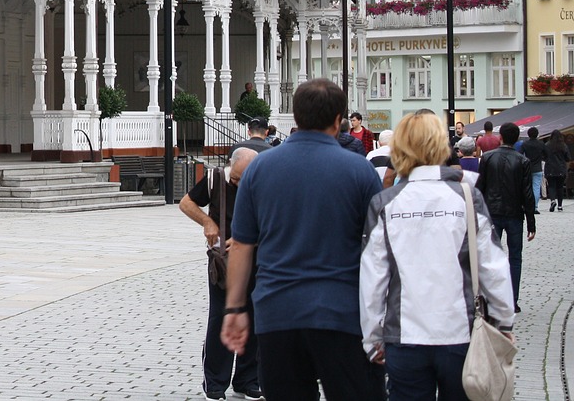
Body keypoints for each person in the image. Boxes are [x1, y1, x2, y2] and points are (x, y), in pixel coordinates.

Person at [222, 78, 385, 400]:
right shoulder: (359, 170)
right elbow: (381, 246)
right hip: (342, 312)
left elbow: (241, 244)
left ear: (295, 117)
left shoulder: (259, 169)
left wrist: (235, 308)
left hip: (277, 311)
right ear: (339, 120)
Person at [359, 110, 514, 401]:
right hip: (460, 333)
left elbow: (373, 276)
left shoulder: (385, 203)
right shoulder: (467, 196)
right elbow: (492, 265)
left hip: (404, 336)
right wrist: (504, 321)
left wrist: (372, 337)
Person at [180, 147, 262, 401]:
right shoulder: (216, 178)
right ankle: (215, 383)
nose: (239, 183)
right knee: (220, 318)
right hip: (224, 264)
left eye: (244, 179)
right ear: (230, 167)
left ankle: (248, 380)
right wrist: (207, 222)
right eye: (236, 178)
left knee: (255, 318)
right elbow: (186, 203)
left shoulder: (263, 182)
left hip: (258, 260)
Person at [477, 121, 537, 311]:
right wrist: (531, 223)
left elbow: (480, 188)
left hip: (492, 212)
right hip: (514, 214)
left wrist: (477, 214)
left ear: (500, 137)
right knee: (515, 257)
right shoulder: (523, 161)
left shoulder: (487, 158)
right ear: (517, 139)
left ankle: (491, 299)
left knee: (490, 256)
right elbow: (527, 193)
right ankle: (513, 300)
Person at [520, 126, 547, 212]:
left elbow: (520, 154)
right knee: (536, 187)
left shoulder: (525, 144)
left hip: (527, 168)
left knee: (527, 187)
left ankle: (527, 205)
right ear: (537, 134)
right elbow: (546, 154)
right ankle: (535, 207)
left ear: (528, 134)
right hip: (538, 168)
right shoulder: (541, 144)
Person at [547, 131, 570, 212]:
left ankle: (553, 201)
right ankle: (560, 206)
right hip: (561, 168)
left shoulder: (547, 145)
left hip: (550, 168)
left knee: (551, 186)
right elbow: (568, 158)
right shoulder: (563, 145)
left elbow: (543, 156)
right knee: (560, 187)